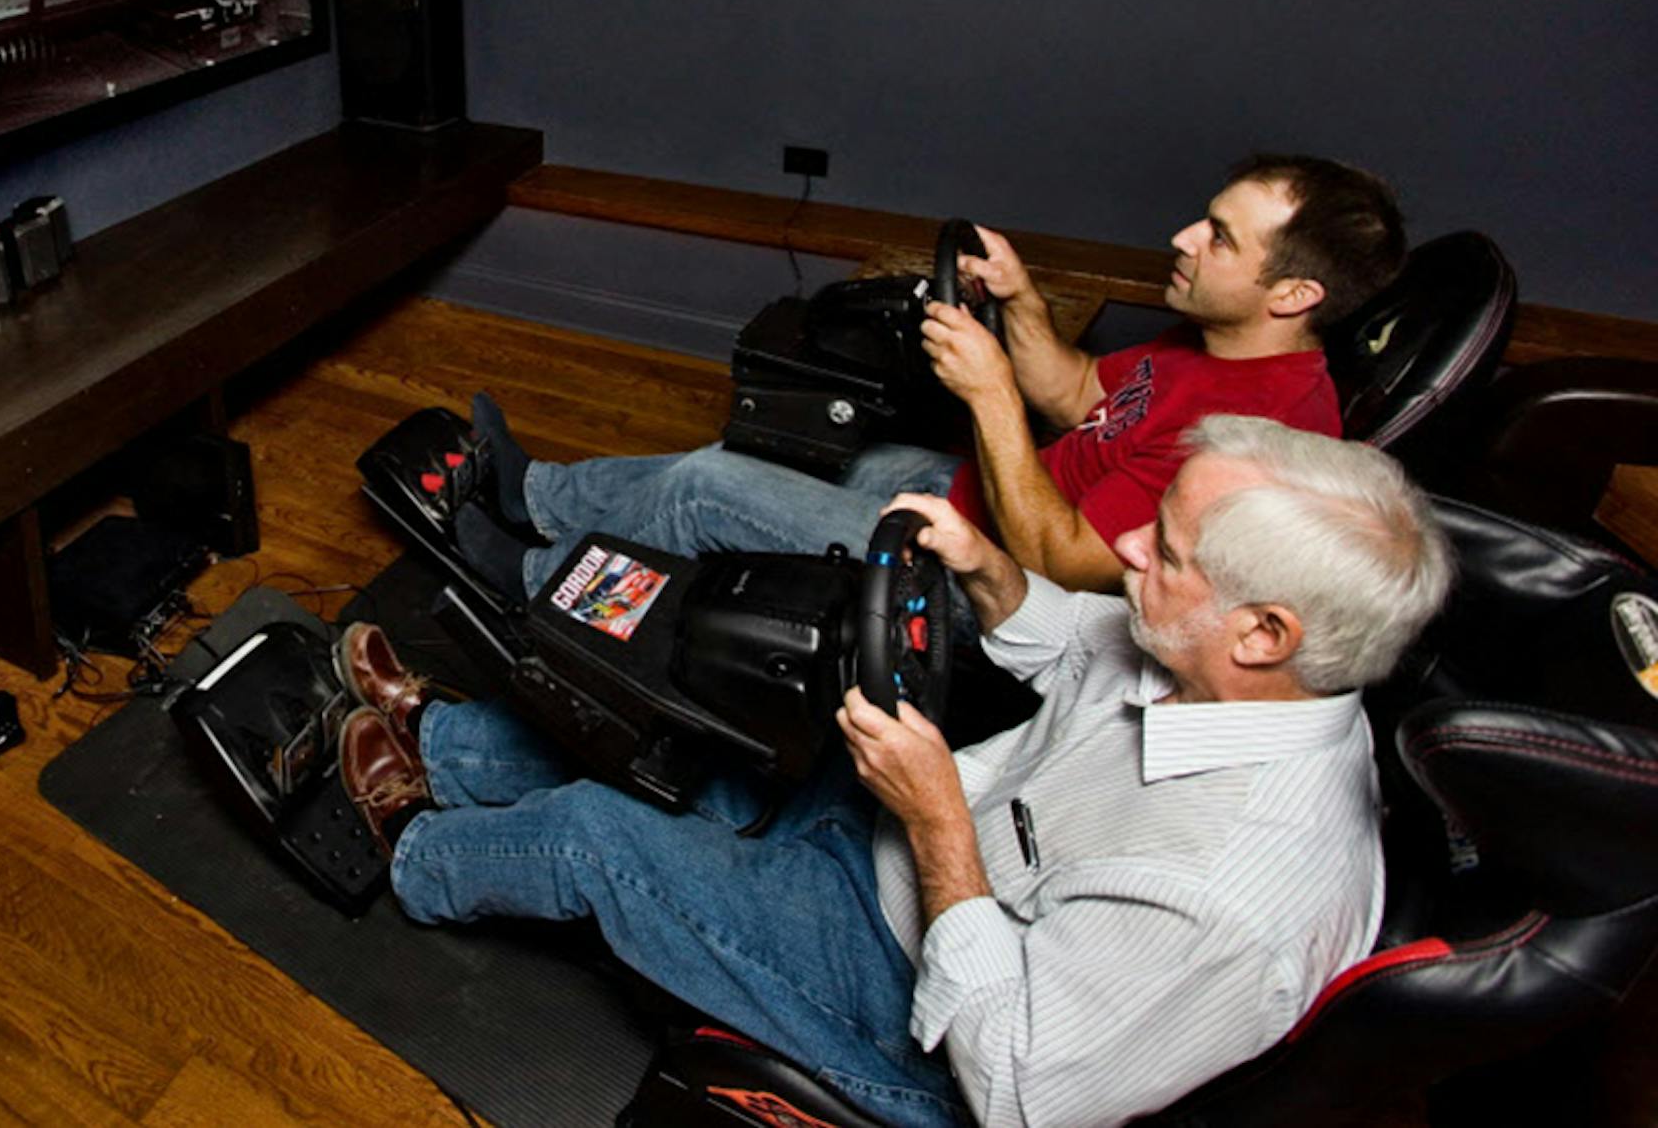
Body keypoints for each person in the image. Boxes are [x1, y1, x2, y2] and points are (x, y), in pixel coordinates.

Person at [335, 416, 1455, 1127]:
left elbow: (1018, 1086)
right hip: (928, 844)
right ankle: (445, 748)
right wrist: (987, 573)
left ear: (1264, 631)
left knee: (595, 838)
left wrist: (933, 823)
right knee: (703, 734)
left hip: (917, 1024)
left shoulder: (1235, 900)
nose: (1127, 550)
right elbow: (1079, 650)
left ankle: (410, 847)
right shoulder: (1242, 672)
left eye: (1166, 552)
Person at [454, 155, 1406, 599]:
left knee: (713, 490)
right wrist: (1023, 300)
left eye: (1220, 237)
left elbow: (1064, 566)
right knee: (759, 446)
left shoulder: (1259, 439)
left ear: (1295, 292)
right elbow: (1079, 396)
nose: (1184, 239)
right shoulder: (1207, 345)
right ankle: (535, 493)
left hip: (982, 585)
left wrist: (989, 393)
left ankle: (529, 577)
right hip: (971, 500)